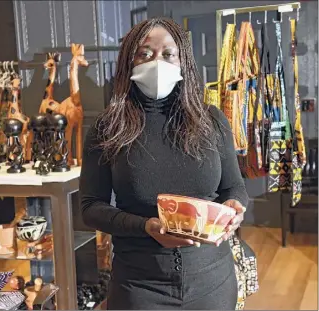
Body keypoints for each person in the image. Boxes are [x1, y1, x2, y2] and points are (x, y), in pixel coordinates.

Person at [79, 17, 248, 310]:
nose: (157, 62)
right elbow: (90, 207)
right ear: (128, 63)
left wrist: (234, 206)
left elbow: (234, 186)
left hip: (213, 281)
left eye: (168, 54)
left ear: (183, 62)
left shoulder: (212, 121)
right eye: (145, 53)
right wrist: (146, 227)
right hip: (139, 286)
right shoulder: (108, 127)